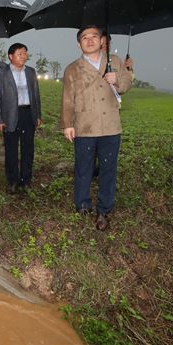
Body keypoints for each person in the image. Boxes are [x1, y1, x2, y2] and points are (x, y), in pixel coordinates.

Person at [60, 26, 132, 231]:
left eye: (94, 36)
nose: (89, 40)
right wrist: (67, 124)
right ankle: (82, 204)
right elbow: (67, 99)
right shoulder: (72, 69)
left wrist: (116, 79)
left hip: (110, 126)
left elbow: (127, 83)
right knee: (84, 169)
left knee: (108, 170)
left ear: (102, 41)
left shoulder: (114, 62)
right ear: (78, 43)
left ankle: (104, 209)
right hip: (85, 126)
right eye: (84, 37)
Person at [0, 43, 42, 194]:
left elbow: (36, 95)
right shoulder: (2, 74)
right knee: (11, 150)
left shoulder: (31, 72)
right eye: (19, 53)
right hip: (10, 116)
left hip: (28, 115)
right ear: (10, 56)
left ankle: (26, 180)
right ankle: (12, 180)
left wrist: (38, 115)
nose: (23, 56)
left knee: (28, 149)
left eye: (25, 53)